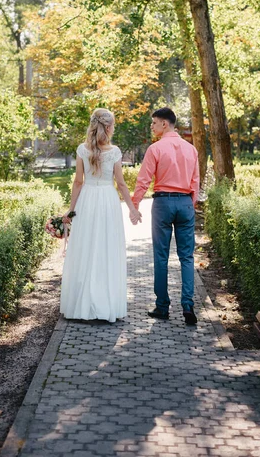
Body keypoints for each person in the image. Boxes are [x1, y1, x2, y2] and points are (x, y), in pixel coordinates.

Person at [60, 108, 142, 323]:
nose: (113, 128)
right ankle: (105, 303)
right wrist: (132, 209)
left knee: (86, 247)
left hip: (87, 200)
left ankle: (82, 305)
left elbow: (78, 182)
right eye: (113, 125)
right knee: (106, 248)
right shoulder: (114, 151)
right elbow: (121, 184)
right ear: (108, 127)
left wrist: (71, 209)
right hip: (107, 201)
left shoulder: (82, 150)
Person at [131, 107, 200, 325]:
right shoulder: (191, 150)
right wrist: (190, 204)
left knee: (161, 256)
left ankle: (162, 307)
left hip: (162, 203)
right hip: (185, 203)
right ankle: (188, 304)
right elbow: (195, 182)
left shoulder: (156, 148)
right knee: (187, 256)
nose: (151, 126)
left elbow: (143, 180)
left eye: (154, 123)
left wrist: (135, 205)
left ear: (164, 124)